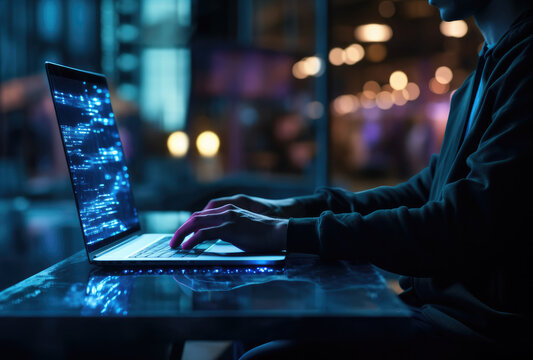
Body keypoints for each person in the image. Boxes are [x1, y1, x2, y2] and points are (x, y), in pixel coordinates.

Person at [171, 0, 532, 357]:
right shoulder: (482, 75)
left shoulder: (526, 65)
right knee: (253, 332)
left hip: (481, 335)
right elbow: (421, 193)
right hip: (436, 314)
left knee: (259, 352)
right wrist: (282, 210)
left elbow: (461, 223)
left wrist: (283, 233)